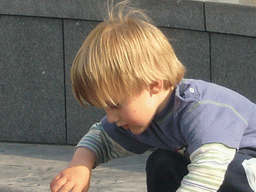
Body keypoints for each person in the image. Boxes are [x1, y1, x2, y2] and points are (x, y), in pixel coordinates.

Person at [50, 1, 256, 192]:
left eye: (115, 105)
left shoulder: (200, 111)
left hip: (244, 167)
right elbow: (102, 137)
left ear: (154, 86)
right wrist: (80, 166)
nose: (111, 117)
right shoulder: (147, 113)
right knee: (162, 162)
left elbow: (207, 175)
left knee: (224, 166)